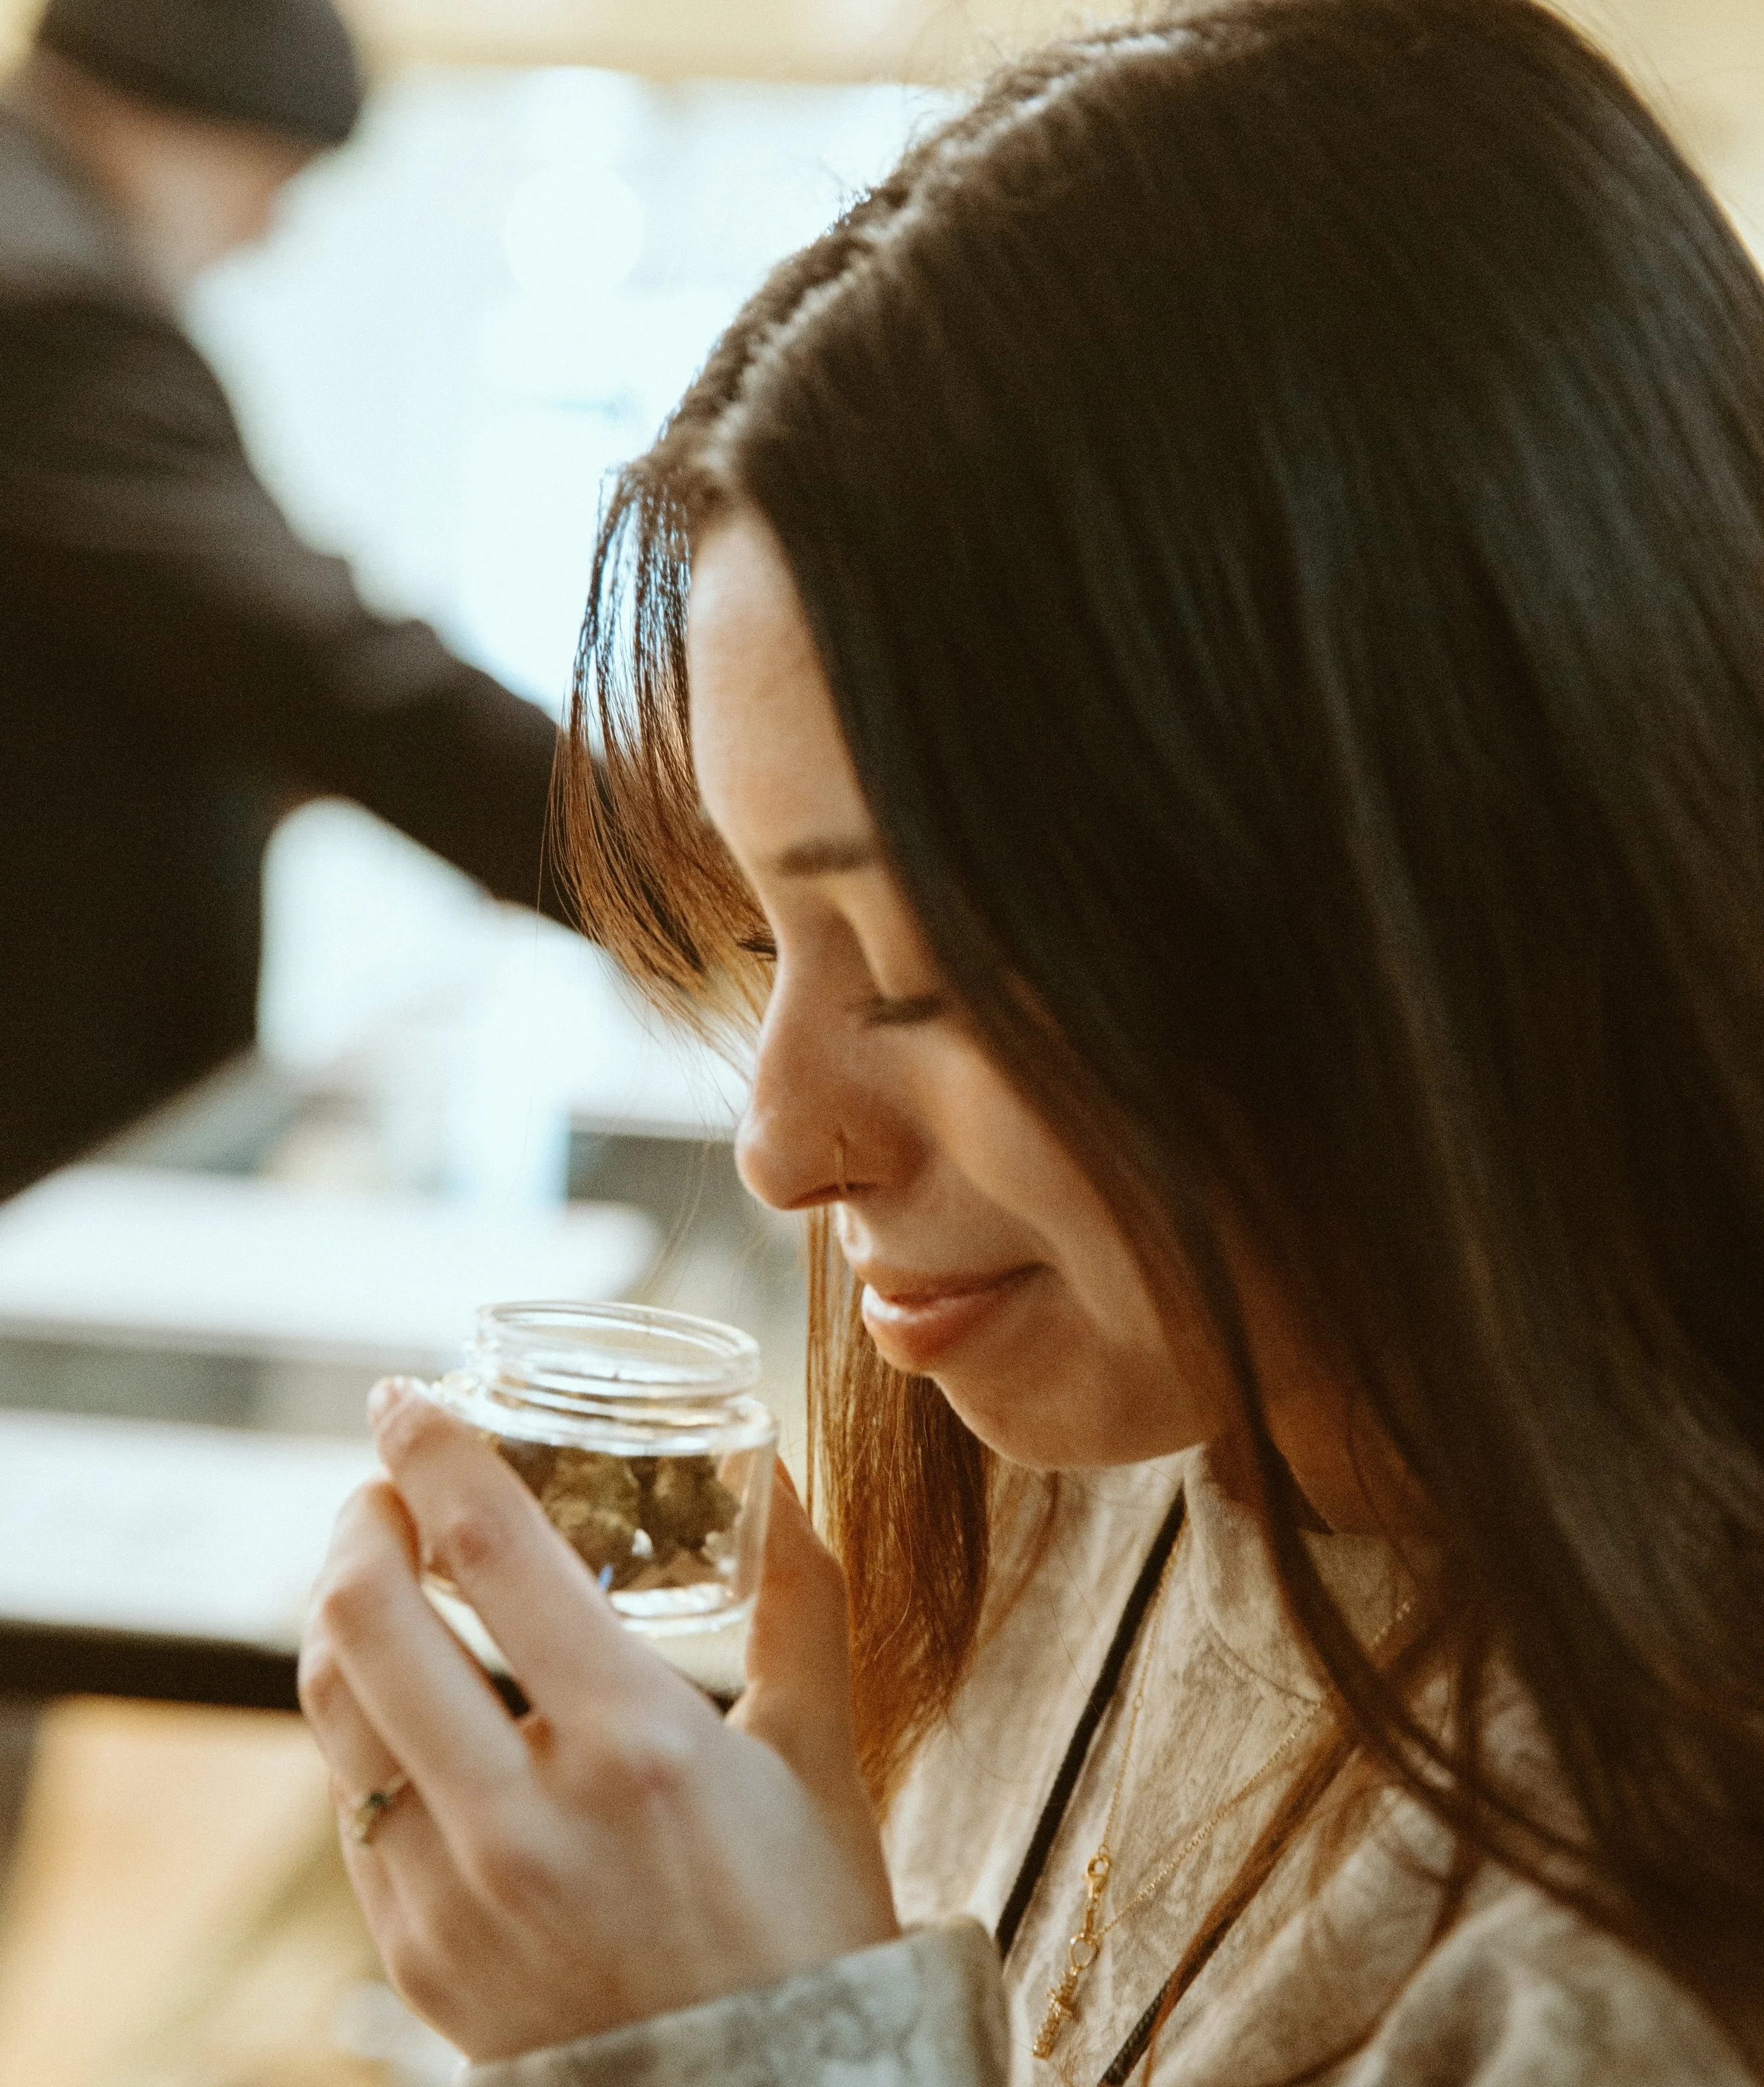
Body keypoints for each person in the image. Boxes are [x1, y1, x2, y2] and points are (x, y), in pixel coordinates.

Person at [297, 0, 1764, 2081]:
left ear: (1418, 869)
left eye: (920, 962)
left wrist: (739, 2047)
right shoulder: (1112, 1464)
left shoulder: (1641, 1958)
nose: (784, 1144)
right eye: (760, 932)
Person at [0, 0, 567, 1200]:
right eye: (283, 179)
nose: (271, 233)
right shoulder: (49, 313)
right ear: (185, 116)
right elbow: (330, 671)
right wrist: (673, 868)